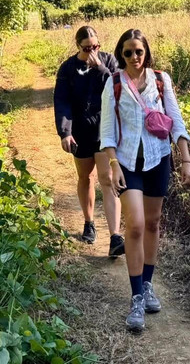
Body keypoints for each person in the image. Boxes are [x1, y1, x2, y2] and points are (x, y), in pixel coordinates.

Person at [100, 28, 190, 332]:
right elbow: (107, 132)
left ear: (146, 52)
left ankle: (148, 284)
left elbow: (175, 120)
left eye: (138, 51)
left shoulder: (160, 80)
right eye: (127, 52)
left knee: (153, 223)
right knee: (137, 225)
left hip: (158, 158)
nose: (134, 57)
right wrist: (113, 165)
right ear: (120, 54)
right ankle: (137, 296)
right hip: (127, 162)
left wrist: (185, 160)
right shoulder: (113, 84)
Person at [53, 26, 125, 256]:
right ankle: (89, 222)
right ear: (78, 47)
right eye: (87, 48)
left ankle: (115, 237)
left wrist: (100, 68)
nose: (92, 51)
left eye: (96, 46)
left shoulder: (109, 62)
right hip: (81, 130)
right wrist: (65, 132)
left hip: (104, 130)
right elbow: (61, 101)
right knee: (86, 177)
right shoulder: (68, 68)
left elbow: (117, 88)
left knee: (107, 179)